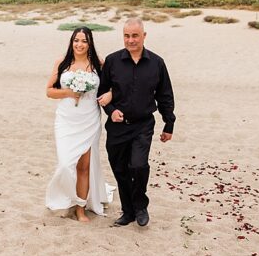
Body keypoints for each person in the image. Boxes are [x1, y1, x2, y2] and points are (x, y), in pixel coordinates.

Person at [95, 18, 175, 228]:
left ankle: (140, 206)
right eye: (127, 36)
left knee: (138, 166)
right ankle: (128, 211)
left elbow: (165, 95)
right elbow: (102, 92)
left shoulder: (157, 63)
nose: (130, 40)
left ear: (144, 36)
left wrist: (169, 123)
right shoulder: (112, 61)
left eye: (135, 36)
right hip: (117, 128)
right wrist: (111, 111)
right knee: (120, 170)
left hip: (143, 125)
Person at [44, 26, 110, 221]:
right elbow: (49, 91)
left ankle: (80, 208)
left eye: (84, 41)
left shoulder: (99, 64)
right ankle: (65, 198)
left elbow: (113, 87)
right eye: (76, 40)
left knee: (84, 166)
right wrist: (69, 92)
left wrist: (110, 95)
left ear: (90, 44)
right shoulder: (62, 63)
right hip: (66, 120)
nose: (79, 44)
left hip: (89, 119)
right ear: (71, 42)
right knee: (65, 164)